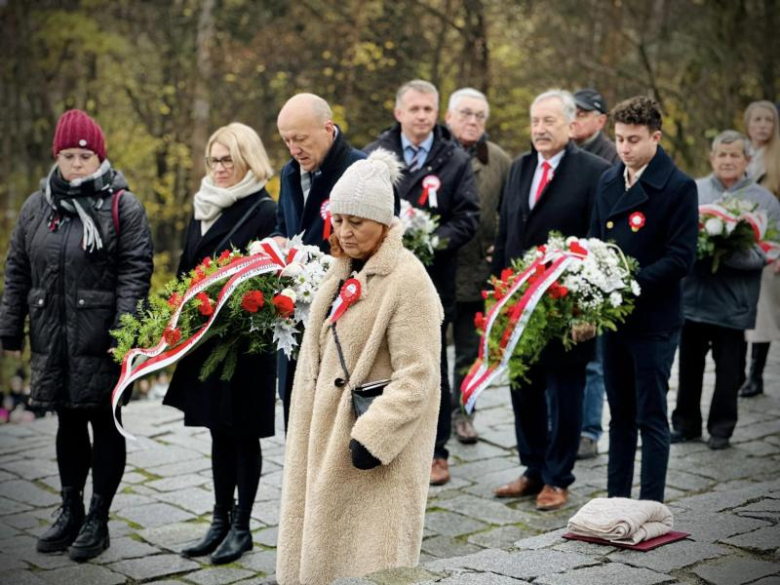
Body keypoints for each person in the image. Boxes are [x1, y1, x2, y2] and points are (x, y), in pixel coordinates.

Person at [276, 149, 443, 584]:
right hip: (323, 440)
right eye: (340, 219)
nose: (345, 232)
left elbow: (419, 374)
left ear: (383, 224)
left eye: (357, 222)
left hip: (367, 451)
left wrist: (373, 436)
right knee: (322, 554)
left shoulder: (409, 281)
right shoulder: (339, 270)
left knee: (368, 560)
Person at [0, 109, 153, 560]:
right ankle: (70, 509)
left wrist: (125, 336)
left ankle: (98, 519)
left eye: (83, 155)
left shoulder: (122, 206)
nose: (75, 164)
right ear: (57, 157)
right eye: (67, 155)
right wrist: (10, 328)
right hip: (53, 338)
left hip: (102, 339)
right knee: (67, 422)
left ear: (99, 157)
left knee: (105, 425)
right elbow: (17, 270)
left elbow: (134, 273)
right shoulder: (37, 206)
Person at [163, 123, 277, 564]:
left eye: (228, 158)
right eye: (214, 159)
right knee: (217, 431)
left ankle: (242, 527)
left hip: (245, 345)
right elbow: (188, 267)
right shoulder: (204, 204)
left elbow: (267, 278)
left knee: (243, 433)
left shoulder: (263, 210)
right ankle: (219, 521)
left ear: (248, 158)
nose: (220, 167)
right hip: (206, 342)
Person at [491, 90, 610, 511]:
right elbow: (507, 230)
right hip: (520, 303)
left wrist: (590, 308)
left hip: (567, 306)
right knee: (523, 388)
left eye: (549, 121)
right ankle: (533, 468)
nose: (540, 129)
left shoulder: (595, 171)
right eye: (535, 121)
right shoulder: (521, 166)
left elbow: (600, 244)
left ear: (571, 125)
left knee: (565, 392)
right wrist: (501, 293)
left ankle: (558, 478)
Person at [365, 79, 479, 485]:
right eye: (414, 109)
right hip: (385, 279)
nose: (422, 116)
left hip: (434, 277)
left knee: (431, 362)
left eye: (429, 109)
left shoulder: (455, 159)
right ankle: (384, 442)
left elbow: (468, 216)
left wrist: (432, 241)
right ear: (399, 113)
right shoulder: (375, 155)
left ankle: (437, 451)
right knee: (386, 363)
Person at [590, 96, 698, 502]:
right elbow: (594, 243)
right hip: (613, 320)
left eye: (633, 140)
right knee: (620, 417)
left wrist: (626, 284)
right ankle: (616, 499)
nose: (624, 148)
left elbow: (680, 257)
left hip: (653, 320)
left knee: (651, 417)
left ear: (655, 136)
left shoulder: (679, 187)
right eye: (618, 139)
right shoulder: (607, 180)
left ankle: (651, 505)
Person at [672, 130, 780, 450]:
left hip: (735, 302)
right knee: (689, 366)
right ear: (712, 158)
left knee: (729, 371)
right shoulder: (692, 190)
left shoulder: (764, 201)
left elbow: (769, 250)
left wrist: (727, 250)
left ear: (748, 160)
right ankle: (685, 424)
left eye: (735, 155)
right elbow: (674, 235)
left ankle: (721, 428)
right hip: (693, 297)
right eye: (722, 154)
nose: (728, 160)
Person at [274, 93, 366, 430]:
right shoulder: (288, 173)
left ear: (328, 129)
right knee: (296, 419)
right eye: (286, 140)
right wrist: (278, 244)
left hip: (341, 318)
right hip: (296, 318)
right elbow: (283, 226)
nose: (293, 148)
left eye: (300, 138)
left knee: (334, 425)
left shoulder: (362, 170)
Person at [444, 87, 511, 444]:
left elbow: (510, 212)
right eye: (465, 114)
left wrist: (497, 246)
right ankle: (431, 418)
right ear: (449, 117)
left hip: (476, 273)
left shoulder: (499, 160)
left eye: (479, 116)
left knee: (470, 352)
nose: (472, 121)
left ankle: (464, 414)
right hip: (435, 270)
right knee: (429, 351)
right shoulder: (433, 154)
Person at [571, 88, 618, 461]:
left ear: (600, 120)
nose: (575, 119)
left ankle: (589, 430)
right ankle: (567, 427)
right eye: (571, 112)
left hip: (597, 265)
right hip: (565, 264)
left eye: (583, 114)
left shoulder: (611, 158)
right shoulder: (564, 155)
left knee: (594, 359)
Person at [741, 100, 780, 397]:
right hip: (740, 240)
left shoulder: (776, 159)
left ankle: (756, 374)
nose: (763, 125)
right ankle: (737, 370)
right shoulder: (740, 154)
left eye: (768, 120)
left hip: (768, 239)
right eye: (758, 119)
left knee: (763, 312)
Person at [572, 88, 620, 164]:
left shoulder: (613, 157)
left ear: (600, 121)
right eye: (570, 114)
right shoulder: (557, 148)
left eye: (581, 115)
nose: (573, 120)